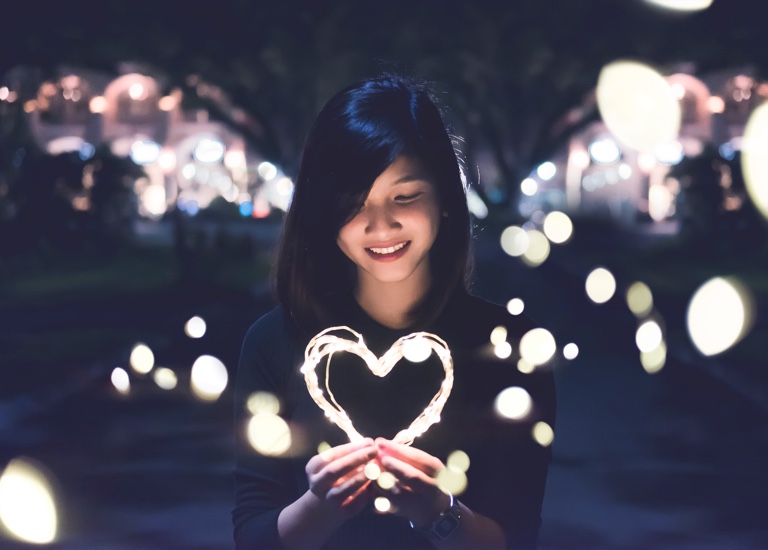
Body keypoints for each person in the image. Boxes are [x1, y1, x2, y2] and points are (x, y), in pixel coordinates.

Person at [232, 75, 556, 550]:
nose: (381, 226)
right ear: (323, 213)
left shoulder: (511, 347)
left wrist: (438, 512)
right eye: (352, 204)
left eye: (405, 197)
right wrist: (321, 506)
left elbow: (517, 538)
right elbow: (252, 536)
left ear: (445, 199)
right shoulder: (274, 342)